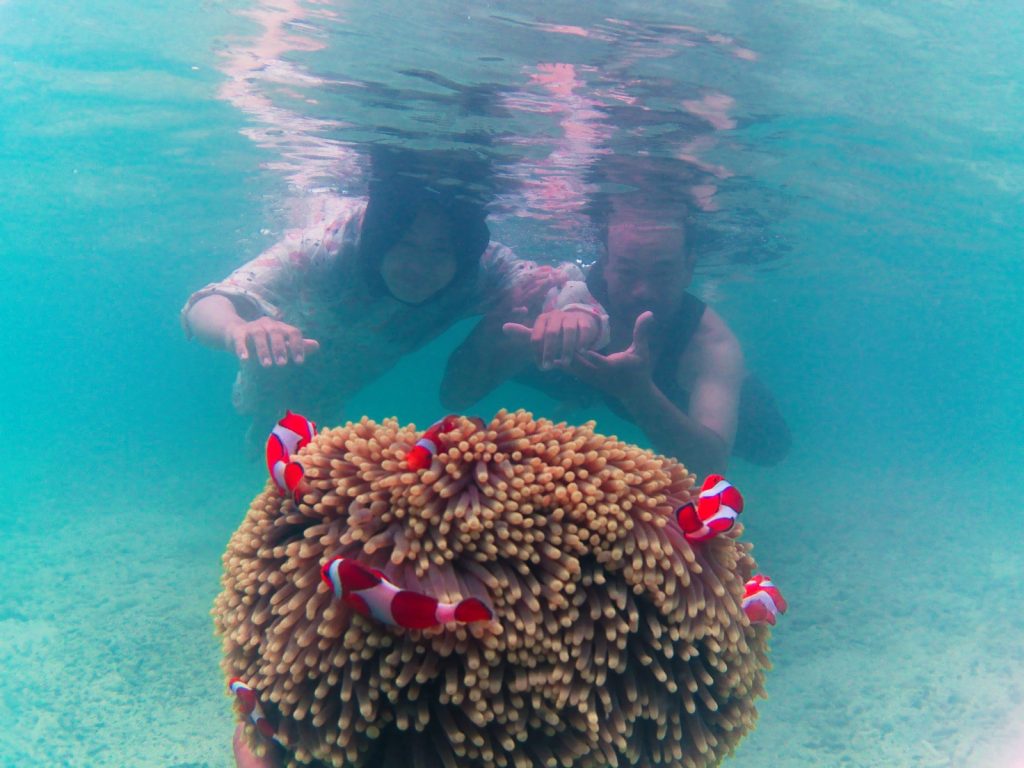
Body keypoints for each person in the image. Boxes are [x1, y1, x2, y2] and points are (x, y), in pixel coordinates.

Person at [182, 147, 609, 453]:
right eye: (404, 245)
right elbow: (206, 303)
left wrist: (574, 317)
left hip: (338, 393)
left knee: (307, 447)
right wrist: (240, 328)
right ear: (379, 240)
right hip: (272, 378)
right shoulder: (327, 248)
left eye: (439, 251)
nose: (419, 267)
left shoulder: (475, 267)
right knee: (269, 430)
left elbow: (562, 288)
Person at [442, 198, 790, 478]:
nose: (643, 290)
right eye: (627, 271)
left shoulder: (710, 343)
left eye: (663, 271)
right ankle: (585, 394)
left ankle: (591, 394)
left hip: (676, 400)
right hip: (589, 380)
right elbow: (454, 396)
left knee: (772, 447)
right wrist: (493, 329)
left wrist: (637, 393)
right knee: (527, 347)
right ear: (604, 264)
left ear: (689, 269)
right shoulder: (558, 299)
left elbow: (709, 467)